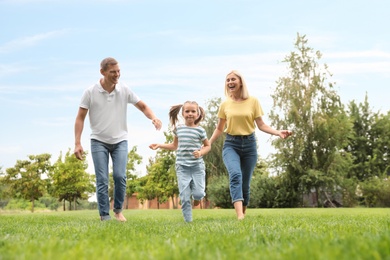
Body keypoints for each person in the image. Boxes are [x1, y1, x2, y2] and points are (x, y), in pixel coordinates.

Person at [74, 57, 162, 222]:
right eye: (113, 72)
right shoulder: (90, 92)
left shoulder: (124, 89)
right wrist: (77, 143)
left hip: (120, 140)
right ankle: (104, 215)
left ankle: (118, 210)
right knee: (102, 179)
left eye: (119, 71)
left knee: (120, 176)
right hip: (98, 140)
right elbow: (80, 118)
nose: (117, 75)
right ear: (103, 72)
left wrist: (154, 118)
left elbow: (142, 106)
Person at [209, 70, 292, 220]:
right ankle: (240, 215)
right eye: (227, 80)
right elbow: (219, 128)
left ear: (240, 82)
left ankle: (243, 212)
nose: (230, 82)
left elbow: (261, 125)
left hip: (249, 145)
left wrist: (278, 132)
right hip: (231, 144)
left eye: (233, 79)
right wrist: (207, 143)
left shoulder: (253, 101)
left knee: (245, 184)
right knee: (235, 175)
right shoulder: (225, 104)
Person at [149, 101, 211, 223]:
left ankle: (197, 198)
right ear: (182, 113)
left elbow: (208, 146)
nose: (190, 114)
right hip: (182, 167)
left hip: (197, 166)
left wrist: (201, 152)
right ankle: (188, 222)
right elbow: (174, 146)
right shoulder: (178, 129)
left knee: (199, 193)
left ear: (198, 114)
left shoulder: (200, 131)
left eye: (193, 111)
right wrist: (159, 145)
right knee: (184, 197)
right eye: (187, 111)